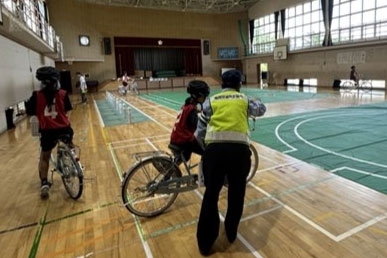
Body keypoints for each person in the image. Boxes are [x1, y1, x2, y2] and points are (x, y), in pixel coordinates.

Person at [194, 69, 266, 255]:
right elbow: (261, 109)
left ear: (222, 84)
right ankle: (231, 232)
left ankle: (205, 243)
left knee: (211, 195)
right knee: (236, 193)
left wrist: (208, 150)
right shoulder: (244, 99)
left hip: (214, 153)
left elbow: (199, 133)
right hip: (239, 154)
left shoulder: (211, 101)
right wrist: (256, 99)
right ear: (239, 84)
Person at [26, 66, 75, 200]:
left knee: (45, 156)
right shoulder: (63, 94)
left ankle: (44, 184)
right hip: (64, 128)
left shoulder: (36, 96)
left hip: (48, 131)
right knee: (70, 142)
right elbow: (68, 111)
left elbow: (30, 112)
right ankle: (74, 158)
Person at [170, 80, 210, 162]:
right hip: (183, 141)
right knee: (208, 153)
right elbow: (197, 127)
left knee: (185, 156)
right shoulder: (192, 109)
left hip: (175, 139)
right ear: (199, 96)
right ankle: (204, 174)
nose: (205, 98)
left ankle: (170, 167)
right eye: (204, 96)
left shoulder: (187, 105)